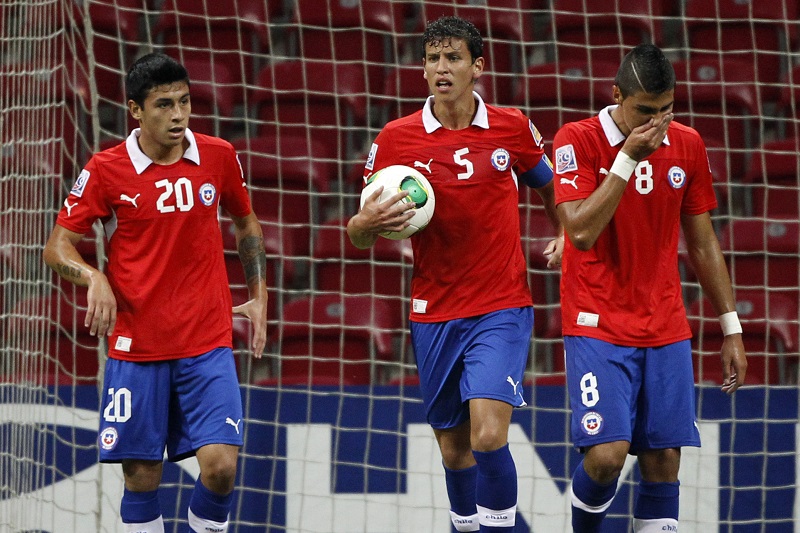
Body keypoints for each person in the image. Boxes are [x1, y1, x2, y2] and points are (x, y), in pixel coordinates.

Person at [347, 16, 562, 532]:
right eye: (433, 59)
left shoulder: (512, 126)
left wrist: (563, 232)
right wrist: (364, 223)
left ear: (477, 67)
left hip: (501, 305)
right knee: (455, 450)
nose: (442, 68)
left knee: (488, 436)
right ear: (422, 69)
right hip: (435, 310)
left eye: (454, 58)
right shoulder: (395, 141)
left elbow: (551, 186)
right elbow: (358, 233)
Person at [43, 53, 268, 533]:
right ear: (135, 110)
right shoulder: (106, 169)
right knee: (143, 475)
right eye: (164, 104)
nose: (179, 115)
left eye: (184, 102)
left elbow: (246, 221)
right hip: (137, 345)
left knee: (221, 467)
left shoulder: (218, 155)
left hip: (207, 341)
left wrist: (259, 290)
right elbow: (57, 247)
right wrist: (94, 277)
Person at [552, 43, 748, 532]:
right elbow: (579, 231)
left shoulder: (687, 143)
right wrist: (626, 159)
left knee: (663, 460)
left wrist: (731, 327)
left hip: (664, 324)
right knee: (606, 456)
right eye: (645, 110)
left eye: (665, 110)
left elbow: (703, 244)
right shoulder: (575, 139)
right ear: (617, 94)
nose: (655, 122)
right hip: (597, 320)